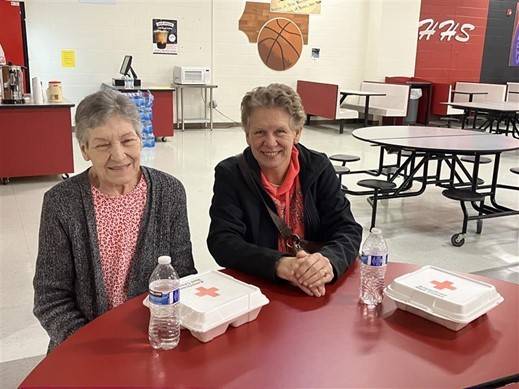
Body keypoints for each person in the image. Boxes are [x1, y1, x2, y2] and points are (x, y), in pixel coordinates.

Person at [33, 89, 196, 352]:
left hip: (154, 339)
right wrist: (92, 346)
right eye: (102, 145)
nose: (119, 155)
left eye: (127, 140)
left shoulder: (169, 192)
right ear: (85, 150)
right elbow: (50, 298)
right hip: (84, 345)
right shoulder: (61, 203)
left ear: (141, 139)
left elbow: (183, 274)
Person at [207, 83, 362, 297]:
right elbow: (223, 241)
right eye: (260, 132)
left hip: (315, 288)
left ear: (297, 133)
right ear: (247, 135)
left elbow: (347, 229)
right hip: (260, 290)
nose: (270, 143)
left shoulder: (318, 167)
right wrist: (280, 265)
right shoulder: (231, 174)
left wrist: (327, 262)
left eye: (280, 131)